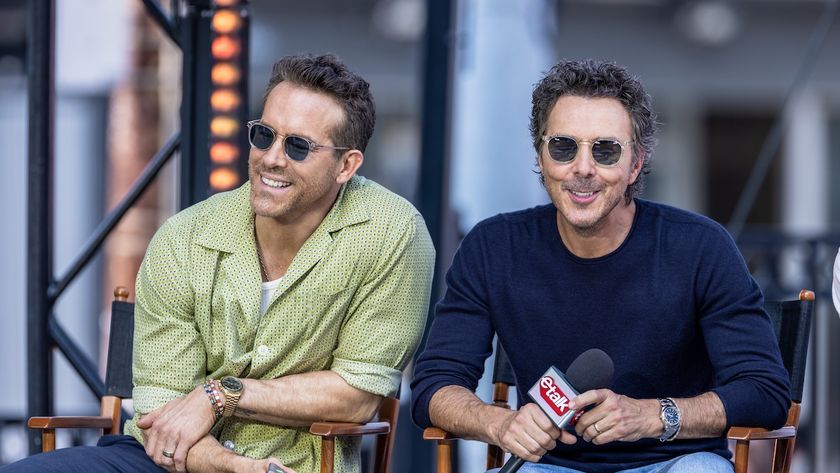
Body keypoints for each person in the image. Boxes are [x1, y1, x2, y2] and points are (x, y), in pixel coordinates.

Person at [5, 54, 434, 473]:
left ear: (346, 165)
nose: (271, 158)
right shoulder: (184, 237)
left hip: (300, 463)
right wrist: (237, 467)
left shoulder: (392, 234)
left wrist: (220, 394)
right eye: (264, 135)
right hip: (169, 460)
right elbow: (160, 416)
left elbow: (356, 396)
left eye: (298, 146)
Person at [411, 59, 790, 473]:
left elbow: (764, 392)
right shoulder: (493, 246)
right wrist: (499, 423)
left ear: (636, 164)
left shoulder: (701, 247)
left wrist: (652, 416)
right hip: (546, 465)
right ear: (540, 154)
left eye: (606, 150)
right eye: (564, 147)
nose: (583, 168)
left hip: (676, 461)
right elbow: (434, 385)